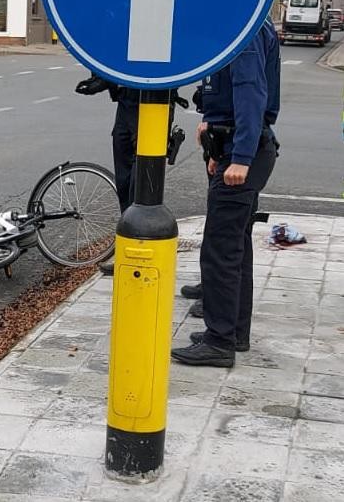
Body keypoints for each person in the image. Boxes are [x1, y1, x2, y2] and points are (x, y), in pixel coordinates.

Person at [171, 19, 281, 368]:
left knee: (220, 251)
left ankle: (219, 342)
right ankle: (233, 332)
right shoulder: (250, 26)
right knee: (236, 247)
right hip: (236, 146)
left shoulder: (243, 31)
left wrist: (240, 158)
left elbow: (251, 94)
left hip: (242, 151)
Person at [75, 76, 187, 274]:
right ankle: (126, 252)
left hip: (152, 107)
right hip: (125, 108)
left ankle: (141, 252)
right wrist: (103, 80)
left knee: (140, 185)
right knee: (124, 183)